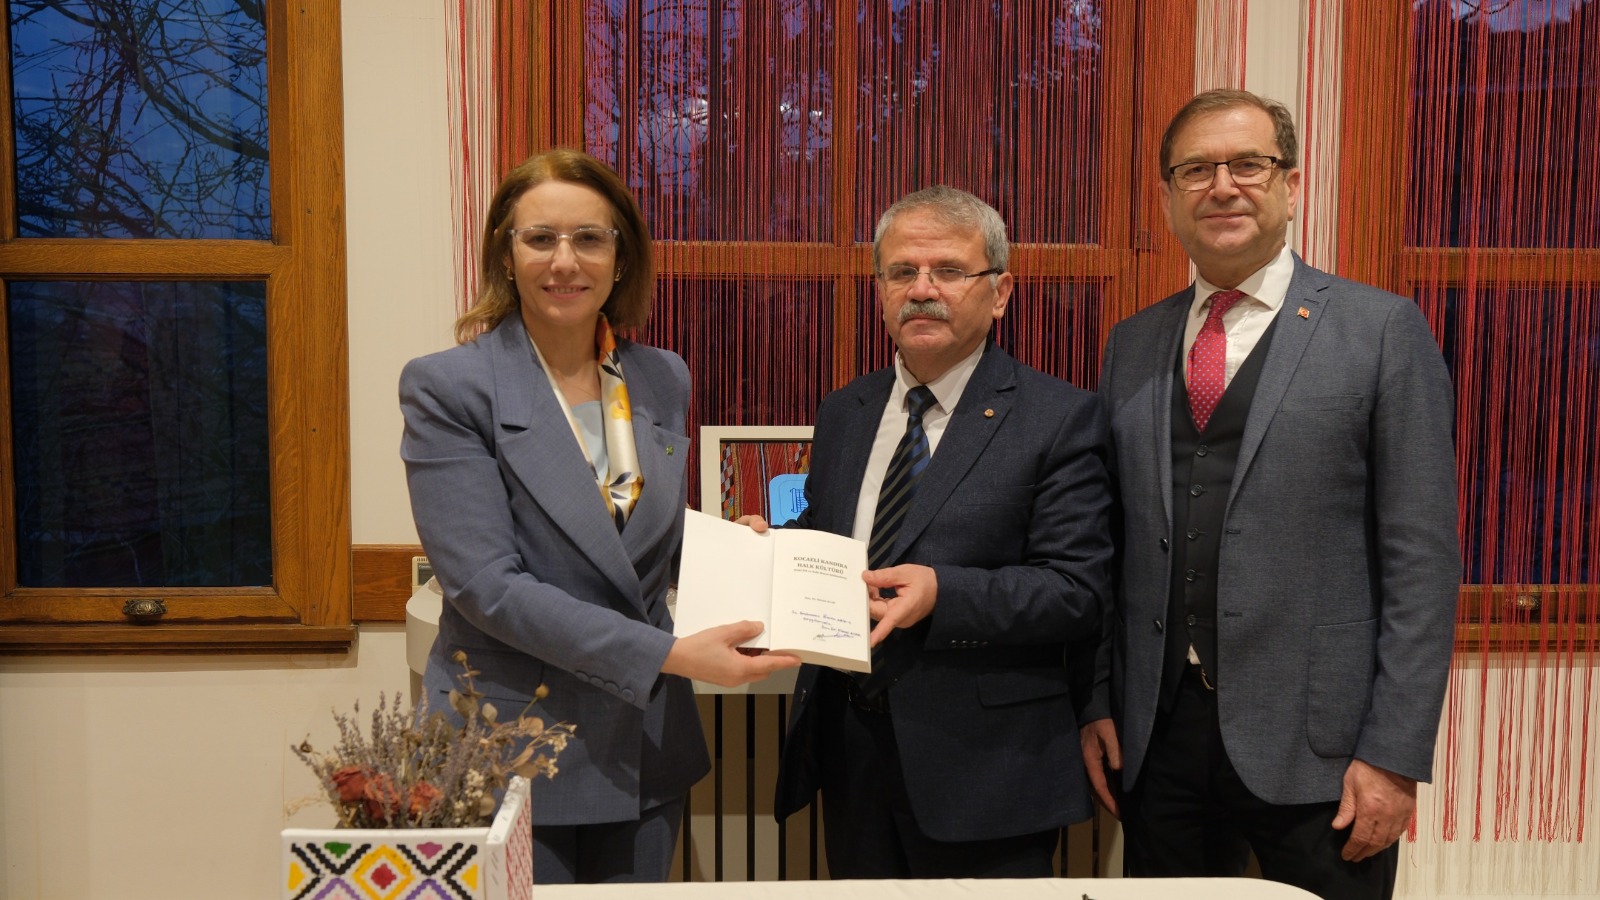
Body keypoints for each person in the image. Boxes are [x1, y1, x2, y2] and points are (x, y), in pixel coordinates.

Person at [1077, 89, 1459, 899]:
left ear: (1290, 185)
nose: (1222, 186)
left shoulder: (1382, 331)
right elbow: (1109, 545)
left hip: (1323, 749)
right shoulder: (1132, 343)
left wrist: (1393, 754)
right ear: (1168, 198)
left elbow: (1421, 562)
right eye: (1196, 170)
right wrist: (1098, 698)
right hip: (1157, 737)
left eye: (1247, 165)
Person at [399, 148, 799, 884]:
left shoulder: (659, 376)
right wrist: (668, 656)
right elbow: (489, 588)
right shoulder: (450, 388)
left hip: (646, 743)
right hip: (513, 745)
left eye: (589, 237)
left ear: (621, 257)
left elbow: (630, 531)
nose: (565, 261)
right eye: (540, 238)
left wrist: (722, 548)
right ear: (506, 254)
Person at [754, 186, 1113, 878]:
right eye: (902, 272)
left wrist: (943, 595)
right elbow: (834, 537)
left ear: (1000, 293)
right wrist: (770, 547)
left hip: (987, 769)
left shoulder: (1059, 417)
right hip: (851, 752)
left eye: (948, 270)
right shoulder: (846, 411)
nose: (922, 290)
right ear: (880, 292)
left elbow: (1077, 591)